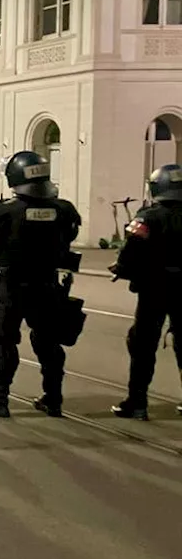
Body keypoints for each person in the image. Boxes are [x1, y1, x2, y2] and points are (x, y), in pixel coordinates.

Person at [0, 151, 82, 418]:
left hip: (11, 287)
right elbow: (71, 236)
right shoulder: (64, 210)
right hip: (47, 285)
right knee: (48, 342)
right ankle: (53, 399)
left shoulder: (3, 212)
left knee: (3, 340)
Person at [110, 164, 182, 420]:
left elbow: (131, 252)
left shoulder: (148, 217)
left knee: (143, 346)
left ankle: (137, 402)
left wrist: (121, 268)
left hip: (155, 288)